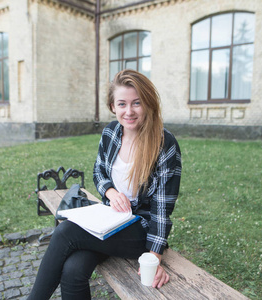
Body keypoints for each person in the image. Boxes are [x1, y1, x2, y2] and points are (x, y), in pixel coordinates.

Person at [27, 69, 182, 300]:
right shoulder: (111, 132)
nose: (128, 111)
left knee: (65, 232)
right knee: (73, 270)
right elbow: (98, 171)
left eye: (137, 103)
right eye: (122, 104)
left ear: (148, 104)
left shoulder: (164, 144)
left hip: (140, 230)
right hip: (109, 220)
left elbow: (162, 209)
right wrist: (110, 191)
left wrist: (154, 258)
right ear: (112, 106)